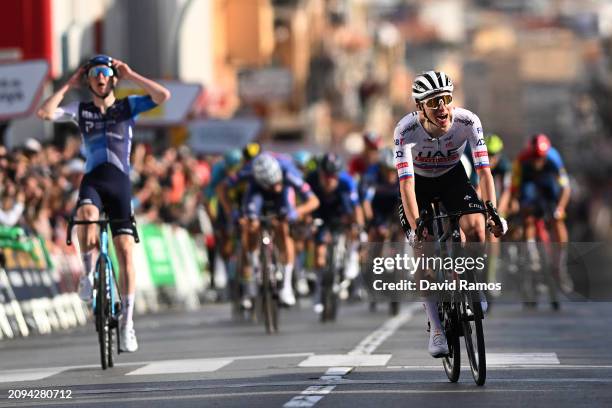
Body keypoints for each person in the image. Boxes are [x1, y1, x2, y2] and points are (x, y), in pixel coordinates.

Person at [37, 54, 171, 352]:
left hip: (120, 183)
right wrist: (69, 84)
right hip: (94, 180)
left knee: (124, 251)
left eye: (106, 73)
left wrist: (131, 73)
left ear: (113, 78)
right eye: (95, 74)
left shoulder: (128, 105)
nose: (101, 78)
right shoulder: (81, 109)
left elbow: (163, 95)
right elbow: (45, 114)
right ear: (89, 80)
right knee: (85, 215)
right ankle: (87, 275)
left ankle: (127, 324)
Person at [394, 70, 507, 358]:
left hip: (452, 177)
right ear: (420, 107)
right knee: (423, 249)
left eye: (446, 99)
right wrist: (418, 225)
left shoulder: (468, 122)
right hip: (418, 184)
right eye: (433, 102)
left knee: (477, 229)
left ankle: (470, 282)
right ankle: (435, 326)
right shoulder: (405, 131)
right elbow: (406, 184)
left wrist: (491, 209)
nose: (442, 107)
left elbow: (484, 171)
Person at [243, 153, 319, 306]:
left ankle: (286, 286)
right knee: (251, 224)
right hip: (258, 192)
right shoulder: (249, 172)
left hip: (283, 198)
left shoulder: (289, 173)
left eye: (277, 182)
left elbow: (313, 201)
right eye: (272, 185)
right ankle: (255, 265)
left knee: (283, 228)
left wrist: (297, 212)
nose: (275, 187)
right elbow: (223, 187)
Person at [511, 133, 571, 296]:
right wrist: (517, 204)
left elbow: (565, 188)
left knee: (558, 220)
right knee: (528, 215)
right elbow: (515, 188)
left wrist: (560, 208)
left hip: (547, 183)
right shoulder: (522, 160)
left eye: (541, 158)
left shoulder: (553, 158)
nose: (538, 161)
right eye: (535, 157)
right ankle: (531, 252)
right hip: (528, 182)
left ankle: (561, 264)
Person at [306, 153, 365, 313]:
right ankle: (318, 291)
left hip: (340, 213)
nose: (329, 180)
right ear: (320, 173)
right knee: (319, 254)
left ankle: (350, 257)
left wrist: (359, 227)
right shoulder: (311, 180)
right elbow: (305, 204)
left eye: (333, 176)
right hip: (321, 214)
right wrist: (308, 221)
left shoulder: (347, 182)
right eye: (326, 176)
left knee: (353, 227)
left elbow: (356, 208)